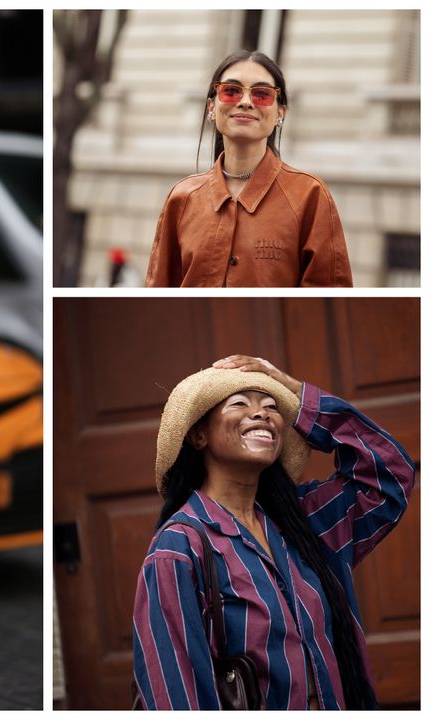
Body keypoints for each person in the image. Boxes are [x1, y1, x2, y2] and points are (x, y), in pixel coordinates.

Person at [132, 356, 415, 709]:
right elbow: (173, 692)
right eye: (239, 404)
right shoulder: (179, 547)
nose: (263, 413)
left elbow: (389, 474)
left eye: (271, 406)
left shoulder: (305, 521)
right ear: (198, 434)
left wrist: (298, 395)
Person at [145, 51, 353, 287]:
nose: (245, 102)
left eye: (262, 94)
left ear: (280, 112)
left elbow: (329, 308)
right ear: (212, 106)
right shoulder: (182, 199)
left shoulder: (309, 196)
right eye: (231, 91)